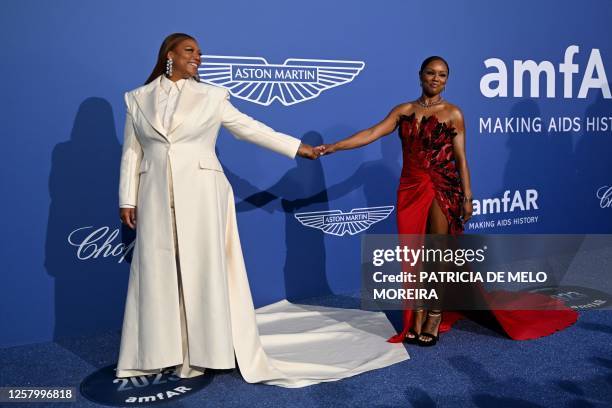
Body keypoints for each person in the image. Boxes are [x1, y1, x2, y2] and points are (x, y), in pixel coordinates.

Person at [116, 33, 407, 387]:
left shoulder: (212, 96)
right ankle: (157, 353)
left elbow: (249, 129)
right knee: (157, 274)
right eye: (190, 51)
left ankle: (203, 354)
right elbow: (132, 153)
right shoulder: (137, 99)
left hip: (203, 193)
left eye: (200, 53)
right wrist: (127, 199)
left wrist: (298, 148)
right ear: (169, 55)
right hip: (155, 193)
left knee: (201, 272)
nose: (198, 58)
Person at [316, 56, 577, 346]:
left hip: (442, 187)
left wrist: (467, 197)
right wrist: (335, 147)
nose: (436, 78)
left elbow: (461, 158)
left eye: (442, 75)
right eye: (431, 73)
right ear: (420, 75)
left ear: (446, 80)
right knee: (413, 253)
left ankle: (435, 314)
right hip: (410, 188)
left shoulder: (453, 113)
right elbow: (372, 133)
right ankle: (415, 313)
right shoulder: (403, 111)